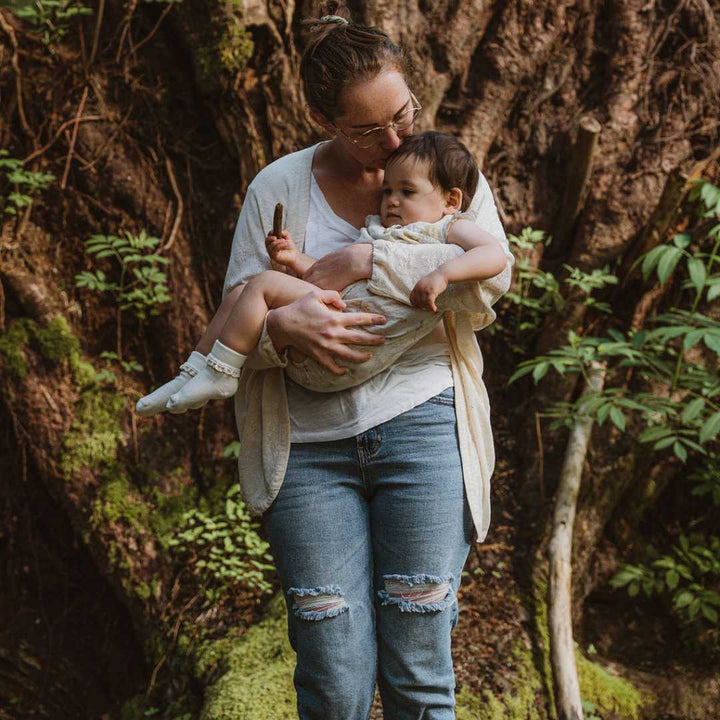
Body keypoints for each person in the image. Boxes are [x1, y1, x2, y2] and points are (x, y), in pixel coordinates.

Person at [147, 5, 513, 718]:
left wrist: (365, 257)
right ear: (324, 121)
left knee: (418, 667)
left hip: (423, 424)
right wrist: (287, 329)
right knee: (333, 672)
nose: (396, 137)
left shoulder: (443, 166)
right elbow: (242, 317)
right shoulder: (276, 189)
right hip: (308, 449)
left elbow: (491, 281)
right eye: (368, 130)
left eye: (403, 113)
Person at [136, 132, 507, 413]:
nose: (392, 200)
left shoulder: (446, 228)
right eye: (388, 189)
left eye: (407, 191)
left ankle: (222, 372)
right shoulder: (379, 229)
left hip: (357, 342)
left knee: (262, 286)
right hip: (336, 316)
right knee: (241, 294)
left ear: (451, 200)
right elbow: (333, 277)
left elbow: (494, 256)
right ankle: (192, 371)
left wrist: (443, 274)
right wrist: (295, 259)